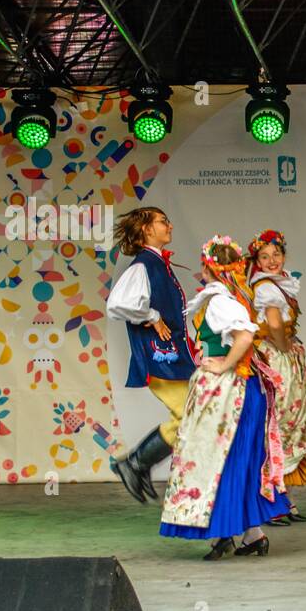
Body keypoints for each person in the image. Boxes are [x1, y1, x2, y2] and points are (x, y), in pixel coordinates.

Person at [160, 237, 293, 559]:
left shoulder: (221, 300)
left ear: (209, 267)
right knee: (232, 460)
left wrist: (224, 364)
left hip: (231, 392)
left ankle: (224, 533)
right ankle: (252, 535)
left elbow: (245, 335)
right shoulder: (226, 296)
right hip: (235, 389)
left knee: (219, 460)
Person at [105, 206, 198, 503]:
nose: (169, 225)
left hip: (173, 355)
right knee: (189, 415)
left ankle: (137, 464)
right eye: (162, 221)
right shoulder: (143, 265)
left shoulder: (156, 264)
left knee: (190, 415)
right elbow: (116, 305)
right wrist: (153, 315)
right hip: (160, 357)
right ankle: (135, 463)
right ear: (146, 229)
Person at [249, 229, 306, 524]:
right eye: (265, 257)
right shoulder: (266, 287)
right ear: (256, 261)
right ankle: (268, 503)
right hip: (276, 358)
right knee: (278, 426)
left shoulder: (278, 285)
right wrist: (284, 348)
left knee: (288, 425)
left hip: (286, 357)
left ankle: (281, 500)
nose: (272, 261)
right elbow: (273, 324)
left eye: (276, 255)